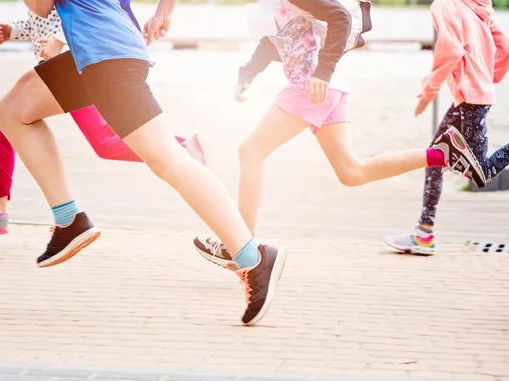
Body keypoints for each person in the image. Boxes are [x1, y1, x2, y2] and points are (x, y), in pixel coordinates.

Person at [0, 0, 286, 326]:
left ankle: (254, 257)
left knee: (169, 161)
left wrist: (164, 11)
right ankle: (69, 222)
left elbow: (42, 6)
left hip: (106, 55)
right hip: (98, 51)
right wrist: (165, 10)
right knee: (13, 110)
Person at [192, 0, 484, 268]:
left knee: (250, 152)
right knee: (352, 172)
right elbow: (273, 42)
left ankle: (241, 245)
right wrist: (247, 75)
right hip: (329, 87)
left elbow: (340, 17)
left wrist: (322, 73)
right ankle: (441, 153)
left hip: (313, 86)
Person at [0, 7, 205, 235]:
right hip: (61, 70)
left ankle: (181, 149)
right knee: (6, 124)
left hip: (81, 64)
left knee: (104, 142)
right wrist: (15, 30)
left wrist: (58, 41)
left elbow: (80, 12)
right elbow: (41, 21)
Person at [384, 0, 509, 255]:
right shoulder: (481, 6)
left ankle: (423, 234)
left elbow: (451, 51)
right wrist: (488, 75)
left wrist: (428, 92)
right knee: (435, 157)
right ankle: (423, 233)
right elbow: (505, 47)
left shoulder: (444, 4)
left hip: (471, 100)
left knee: (479, 175)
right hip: (473, 97)